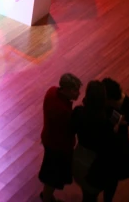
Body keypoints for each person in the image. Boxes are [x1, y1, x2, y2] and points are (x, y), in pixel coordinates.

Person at [38, 72, 82, 202]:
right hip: (58, 146)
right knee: (53, 176)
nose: (78, 93)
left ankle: (47, 195)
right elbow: (70, 129)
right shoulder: (63, 111)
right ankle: (47, 198)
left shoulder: (52, 92)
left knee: (50, 172)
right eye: (75, 90)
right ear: (67, 90)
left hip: (48, 139)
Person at [73, 80, 117, 202]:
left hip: (78, 160)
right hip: (96, 167)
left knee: (88, 196)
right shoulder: (106, 124)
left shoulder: (78, 112)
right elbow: (111, 146)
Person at [102, 77, 129, 201]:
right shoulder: (105, 103)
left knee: (111, 179)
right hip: (110, 143)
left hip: (120, 142)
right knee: (111, 180)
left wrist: (120, 123)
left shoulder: (126, 103)